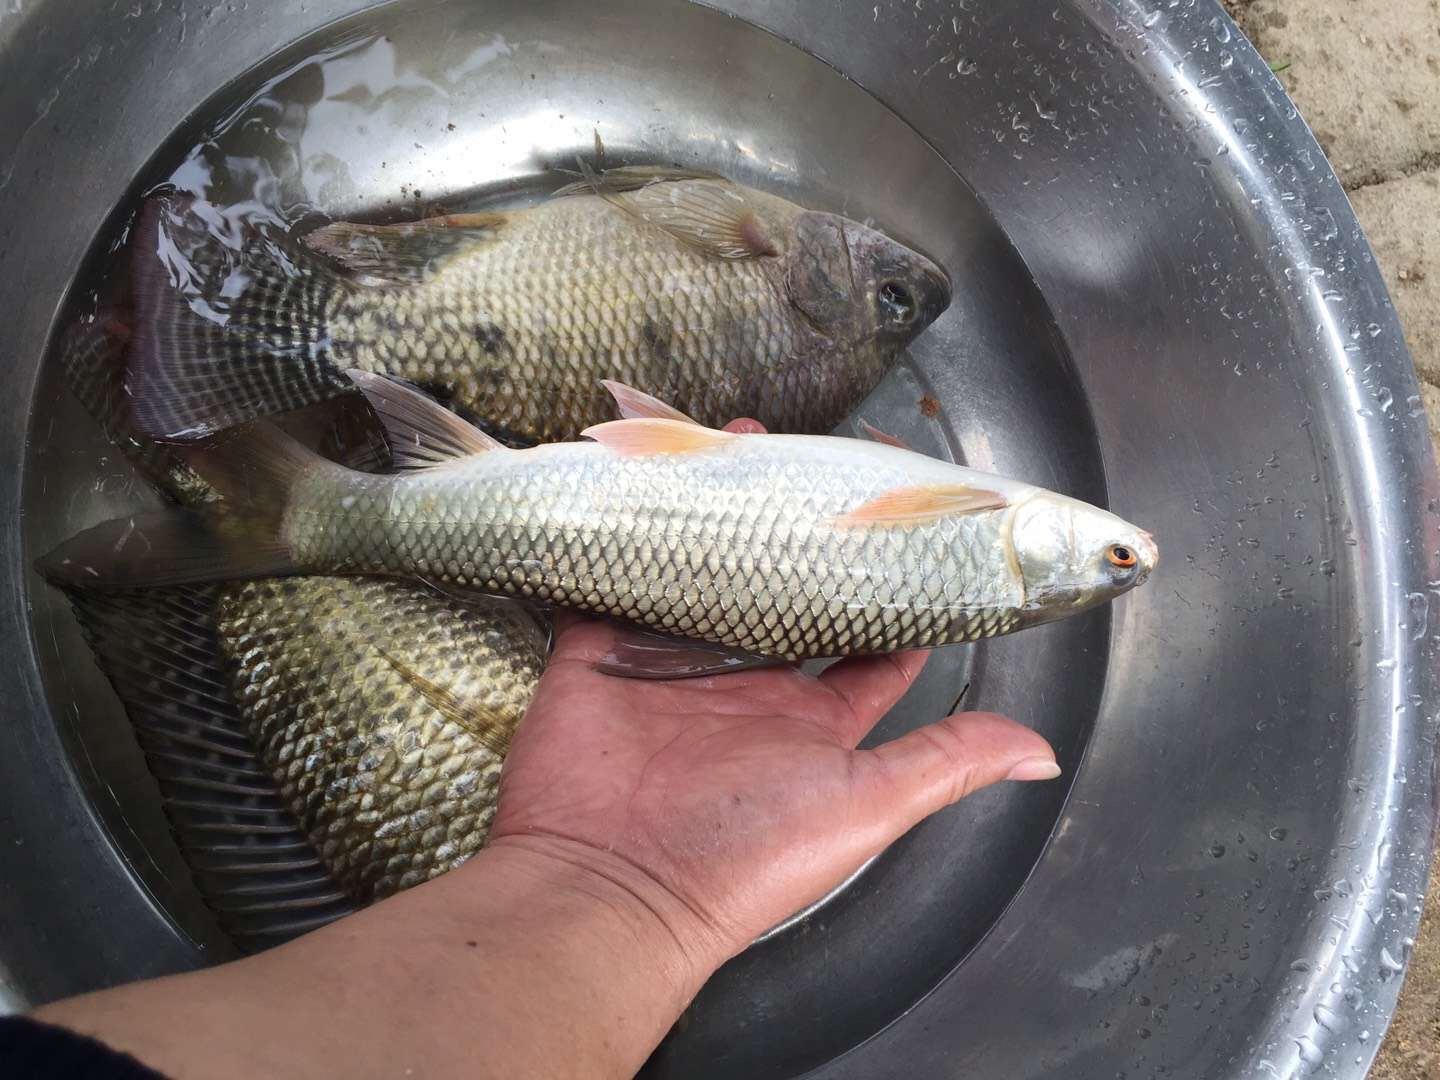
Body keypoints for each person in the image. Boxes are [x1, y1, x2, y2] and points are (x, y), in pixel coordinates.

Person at [5, 418, 1061, 1079]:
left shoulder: (982, 528)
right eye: (1116, 562)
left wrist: (620, 889)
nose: (1124, 552)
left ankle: (234, 473)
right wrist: (635, 899)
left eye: (1116, 560)